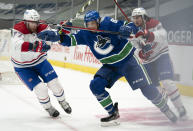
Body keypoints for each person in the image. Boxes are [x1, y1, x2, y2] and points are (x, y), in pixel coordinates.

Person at [38, 10, 177, 126]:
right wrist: (56, 37)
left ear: (98, 21)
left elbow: (131, 25)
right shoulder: (86, 33)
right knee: (95, 85)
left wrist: (128, 29)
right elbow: (69, 41)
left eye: (92, 23)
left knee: (147, 91)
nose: (90, 26)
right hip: (111, 66)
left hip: (129, 62)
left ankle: (165, 108)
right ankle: (113, 113)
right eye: (88, 24)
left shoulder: (109, 23)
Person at [127, 7, 187, 119]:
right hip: (148, 61)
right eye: (134, 18)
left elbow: (163, 34)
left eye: (138, 17)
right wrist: (142, 53)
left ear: (144, 17)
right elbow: (134, 49)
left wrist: (149, 34)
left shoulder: (154, 24)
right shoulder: (133, 31)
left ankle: (180, 108)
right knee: (154, 89)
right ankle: (165, 99)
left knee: (168, 82)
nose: (136, 20)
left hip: (161, 56)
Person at [11, 9, 72, 117]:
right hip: (22, 66)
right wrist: (35, 46)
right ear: (26, 22)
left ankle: (62, 101)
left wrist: (63, 31)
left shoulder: (42, 27)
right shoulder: (18, 29)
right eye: (32, 22)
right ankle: (48, 107)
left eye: (37, 22)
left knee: (55, 83)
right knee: (41, 89)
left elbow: (55, 36)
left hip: (40, 61)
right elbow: (17, 45)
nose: (35, 25)